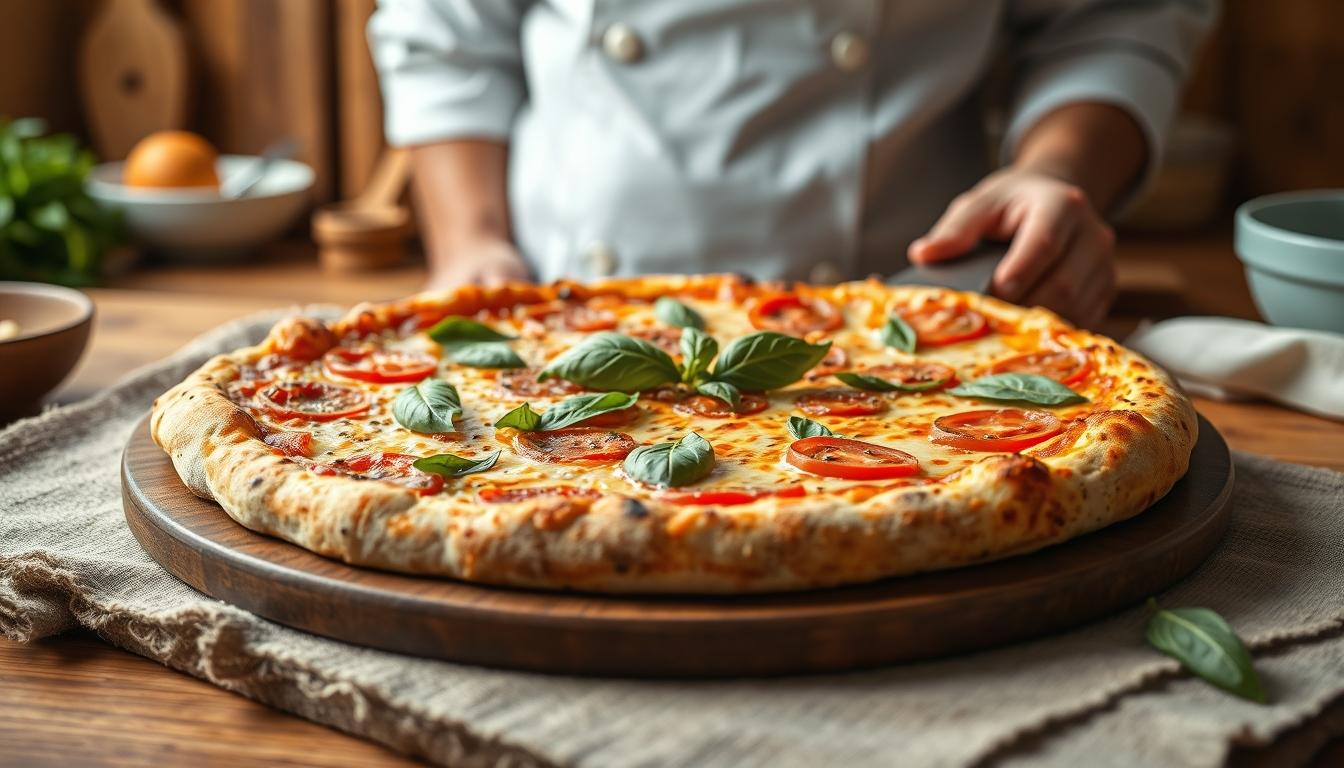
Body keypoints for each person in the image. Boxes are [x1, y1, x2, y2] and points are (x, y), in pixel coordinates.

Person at [369, 1, 1215, 327]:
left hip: (912, 320)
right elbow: (444, 30)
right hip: (555, 314)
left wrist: (1052, 170)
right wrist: (470, 246)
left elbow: (1114, 16)